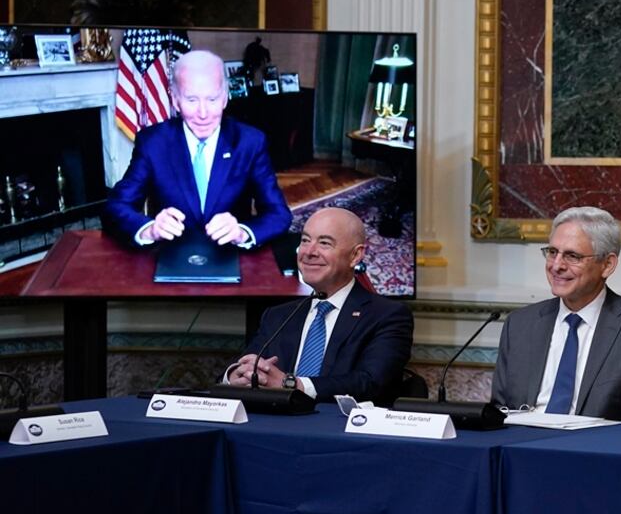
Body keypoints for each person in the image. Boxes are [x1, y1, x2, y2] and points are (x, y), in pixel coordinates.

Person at [490, 206, 621, 425]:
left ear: (607, 264)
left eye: (572, 256)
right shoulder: (520, 324)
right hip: (519, 449)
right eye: (552, 252)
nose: (556, 266)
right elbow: (498, 411)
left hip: (593, 452)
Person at [104, 49, 290, 247]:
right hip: (170, 258)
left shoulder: (250, 142)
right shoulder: (153, 142)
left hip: (231, 257)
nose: (203, 113)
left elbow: (279, 214)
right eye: (192, 100)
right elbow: (115, 207)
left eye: (212, 99)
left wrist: (243, 233)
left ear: (225, 98)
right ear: (175, 100)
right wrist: (149, 229)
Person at [226, 207, 413, 404]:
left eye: (324, 243)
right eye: (305, 240)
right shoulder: (278, 316)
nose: (309, 252)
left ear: (355, 256)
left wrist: (292, 384)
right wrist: (235, 376)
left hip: (339, 429)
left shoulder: (387, 315)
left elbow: (369, 383)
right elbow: (246, 365)